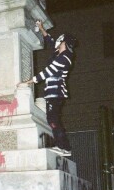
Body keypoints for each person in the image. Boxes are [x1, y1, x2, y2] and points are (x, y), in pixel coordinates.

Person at [20, 20, 77, 156]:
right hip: (54, 92)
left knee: (53, 119)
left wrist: (27, 82)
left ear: (64, 43)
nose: (57, 42)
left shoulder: (65, 58)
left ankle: (64, 147)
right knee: (53, 119)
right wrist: (41, 28)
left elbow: (47, 72)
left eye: (60, 41)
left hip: (56, 92)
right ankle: (63, 146)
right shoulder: (61, 54)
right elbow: (50, 41)